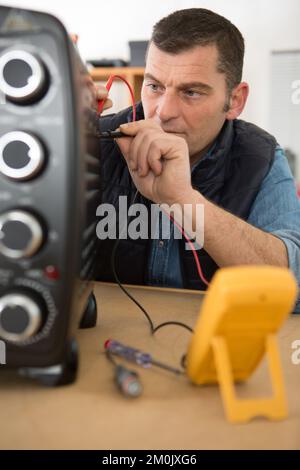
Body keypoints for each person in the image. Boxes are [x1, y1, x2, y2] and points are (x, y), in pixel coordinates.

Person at [94, 8, 300, 312]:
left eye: (191, 92)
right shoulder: (98, 140)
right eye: (154, 87)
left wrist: (183, 199)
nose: (163, 112)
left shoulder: (261, 157)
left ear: (235, 101)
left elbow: (292, 289)